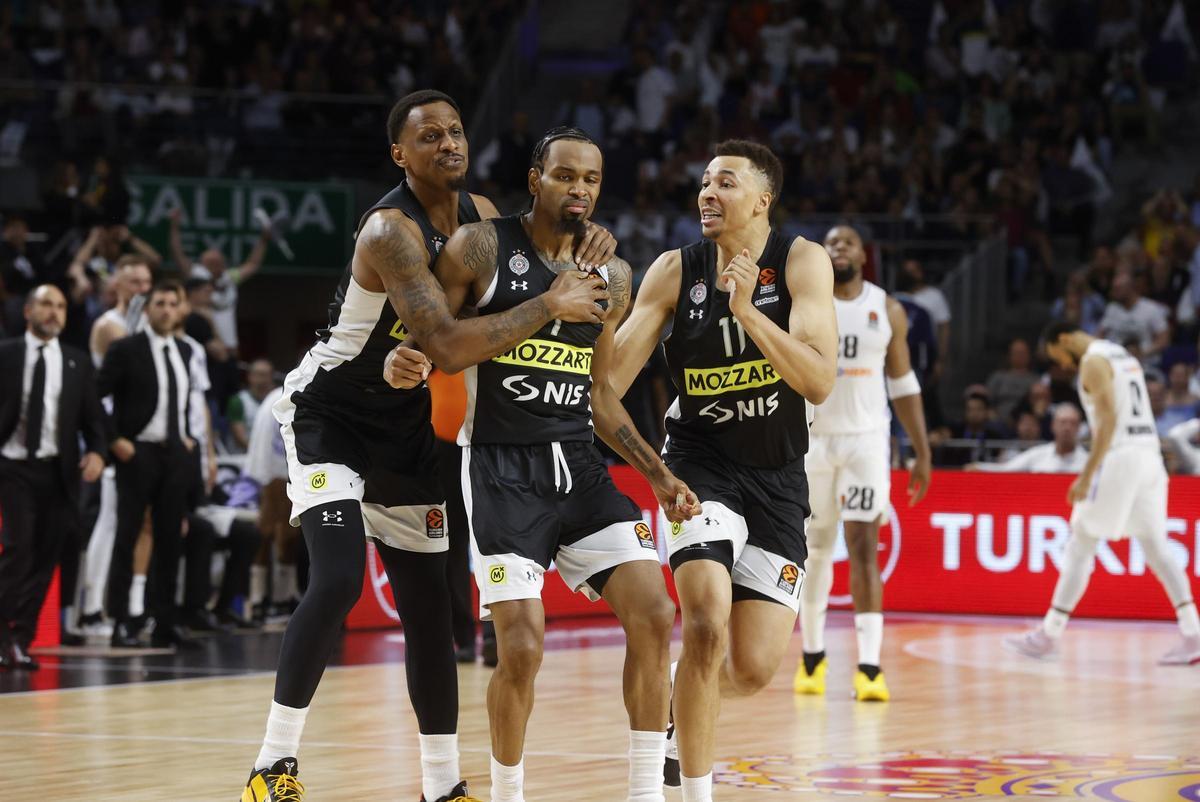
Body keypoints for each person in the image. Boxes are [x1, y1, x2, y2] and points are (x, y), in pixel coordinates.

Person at [240, 92, 617, 802]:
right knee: (340, 577)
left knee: (429, 606)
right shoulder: (390, 230)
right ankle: (272, 765)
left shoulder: (480, 218)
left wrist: (590, 236)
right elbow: (445, 341)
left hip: (411, 428)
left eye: (455, 131)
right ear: (399, 155)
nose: (448, 142)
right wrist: (547, 304)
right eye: (429, 135)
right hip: (333, 415)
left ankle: (442, 786)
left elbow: (540, 253)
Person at [387, 125, 698, 802]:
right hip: (499, 469)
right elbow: (439, 344)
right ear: (535, 179)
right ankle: (508, 794)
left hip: (579, 469)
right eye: (565, 176)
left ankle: (645, 792)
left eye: (590, 179)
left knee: (653, 613)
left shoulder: (612, 275)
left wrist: (658, 475)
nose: (578, 189)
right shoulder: (482, 247)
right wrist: (546, 303)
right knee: (522, 648)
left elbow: (599, 393)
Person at [611, 140, 837, 802]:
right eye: (705, 182)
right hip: (698, 468)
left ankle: (687, 685)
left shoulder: (800, 261)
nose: (709, 193)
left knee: (754, 668)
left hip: (777, 480)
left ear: (762, 200)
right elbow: (609, 384)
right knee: (706, 617)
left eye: (727, 183)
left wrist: (745, 313)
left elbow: (820, 379)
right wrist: (652, 471)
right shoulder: (674, 272)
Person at [793, 224, 933, 703]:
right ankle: (812, 657)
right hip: (814, 440)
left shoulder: (885, 307)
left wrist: (920, 450)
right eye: (830, 243)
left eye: (847, 242)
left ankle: (869, 667)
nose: (838, 249)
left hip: (866, 442)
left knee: (863, 547)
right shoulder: (808, 304)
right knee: (813, 551)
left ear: (863, 254)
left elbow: (904, 383)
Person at [1006, 322, 1200, 665]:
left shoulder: (1093, 362)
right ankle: (1192, 632)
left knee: (1081, 540)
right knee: (1156, 547)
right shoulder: (1122, 354)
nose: (1062, 367)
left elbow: (1108, 421)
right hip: (1149, 457)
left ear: (1064, 339)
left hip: (1121, 456)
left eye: (1058, 358)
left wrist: (1087, 473)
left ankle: (1048, 634)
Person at [0, 285, 106, 670]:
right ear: (28, 310)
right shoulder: (7, 354)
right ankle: (4, 633)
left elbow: (94, 419)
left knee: (47, 558)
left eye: (61, 306)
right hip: (12, 465)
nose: (54, 312)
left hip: (58, 471)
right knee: (18, 549)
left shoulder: (77, 362)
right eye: (46, 304)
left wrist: (97, 451)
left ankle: (19, 640)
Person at [97, 280, 199, 650]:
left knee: (172, 539)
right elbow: (94, 397)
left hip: (175, 453)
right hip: (137, 451)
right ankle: (122, 622)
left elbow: (183, 400)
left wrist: (187, 438)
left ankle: (165, 621)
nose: (167, 309)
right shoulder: (126, 348)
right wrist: (113, 440)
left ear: (181, 308)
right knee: (127, 536)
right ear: (148, 308)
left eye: (173, 303)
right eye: (160, 303)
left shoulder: (186, 351)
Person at [78, 255, 153, 634]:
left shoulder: (140, 325)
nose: (142, 288)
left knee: (131, 522)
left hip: (130, 431)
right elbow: (135, 360)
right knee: (108, 521)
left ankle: (119, 606)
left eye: (146, 282)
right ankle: (92, 608)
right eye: (134, 282)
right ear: (117, 286)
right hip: (107, 431)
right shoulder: (110, 326)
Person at [969, 403, 1088, 473]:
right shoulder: (1037, 454)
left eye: (1072, 423)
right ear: (1053, 426)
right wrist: (979, 467)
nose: (1067, 428)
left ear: (1079, 428)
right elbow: (1006, 469)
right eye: (1062, 422)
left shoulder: (1088, 462)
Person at [227, 359, 277, 452]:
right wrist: (264, 452)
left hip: (272, 455)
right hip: (243, 457)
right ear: (250, 376)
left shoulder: (278, 400)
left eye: (267, 375)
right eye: (260, 374)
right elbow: (240, 439)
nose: (264, 379)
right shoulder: (238, 401)